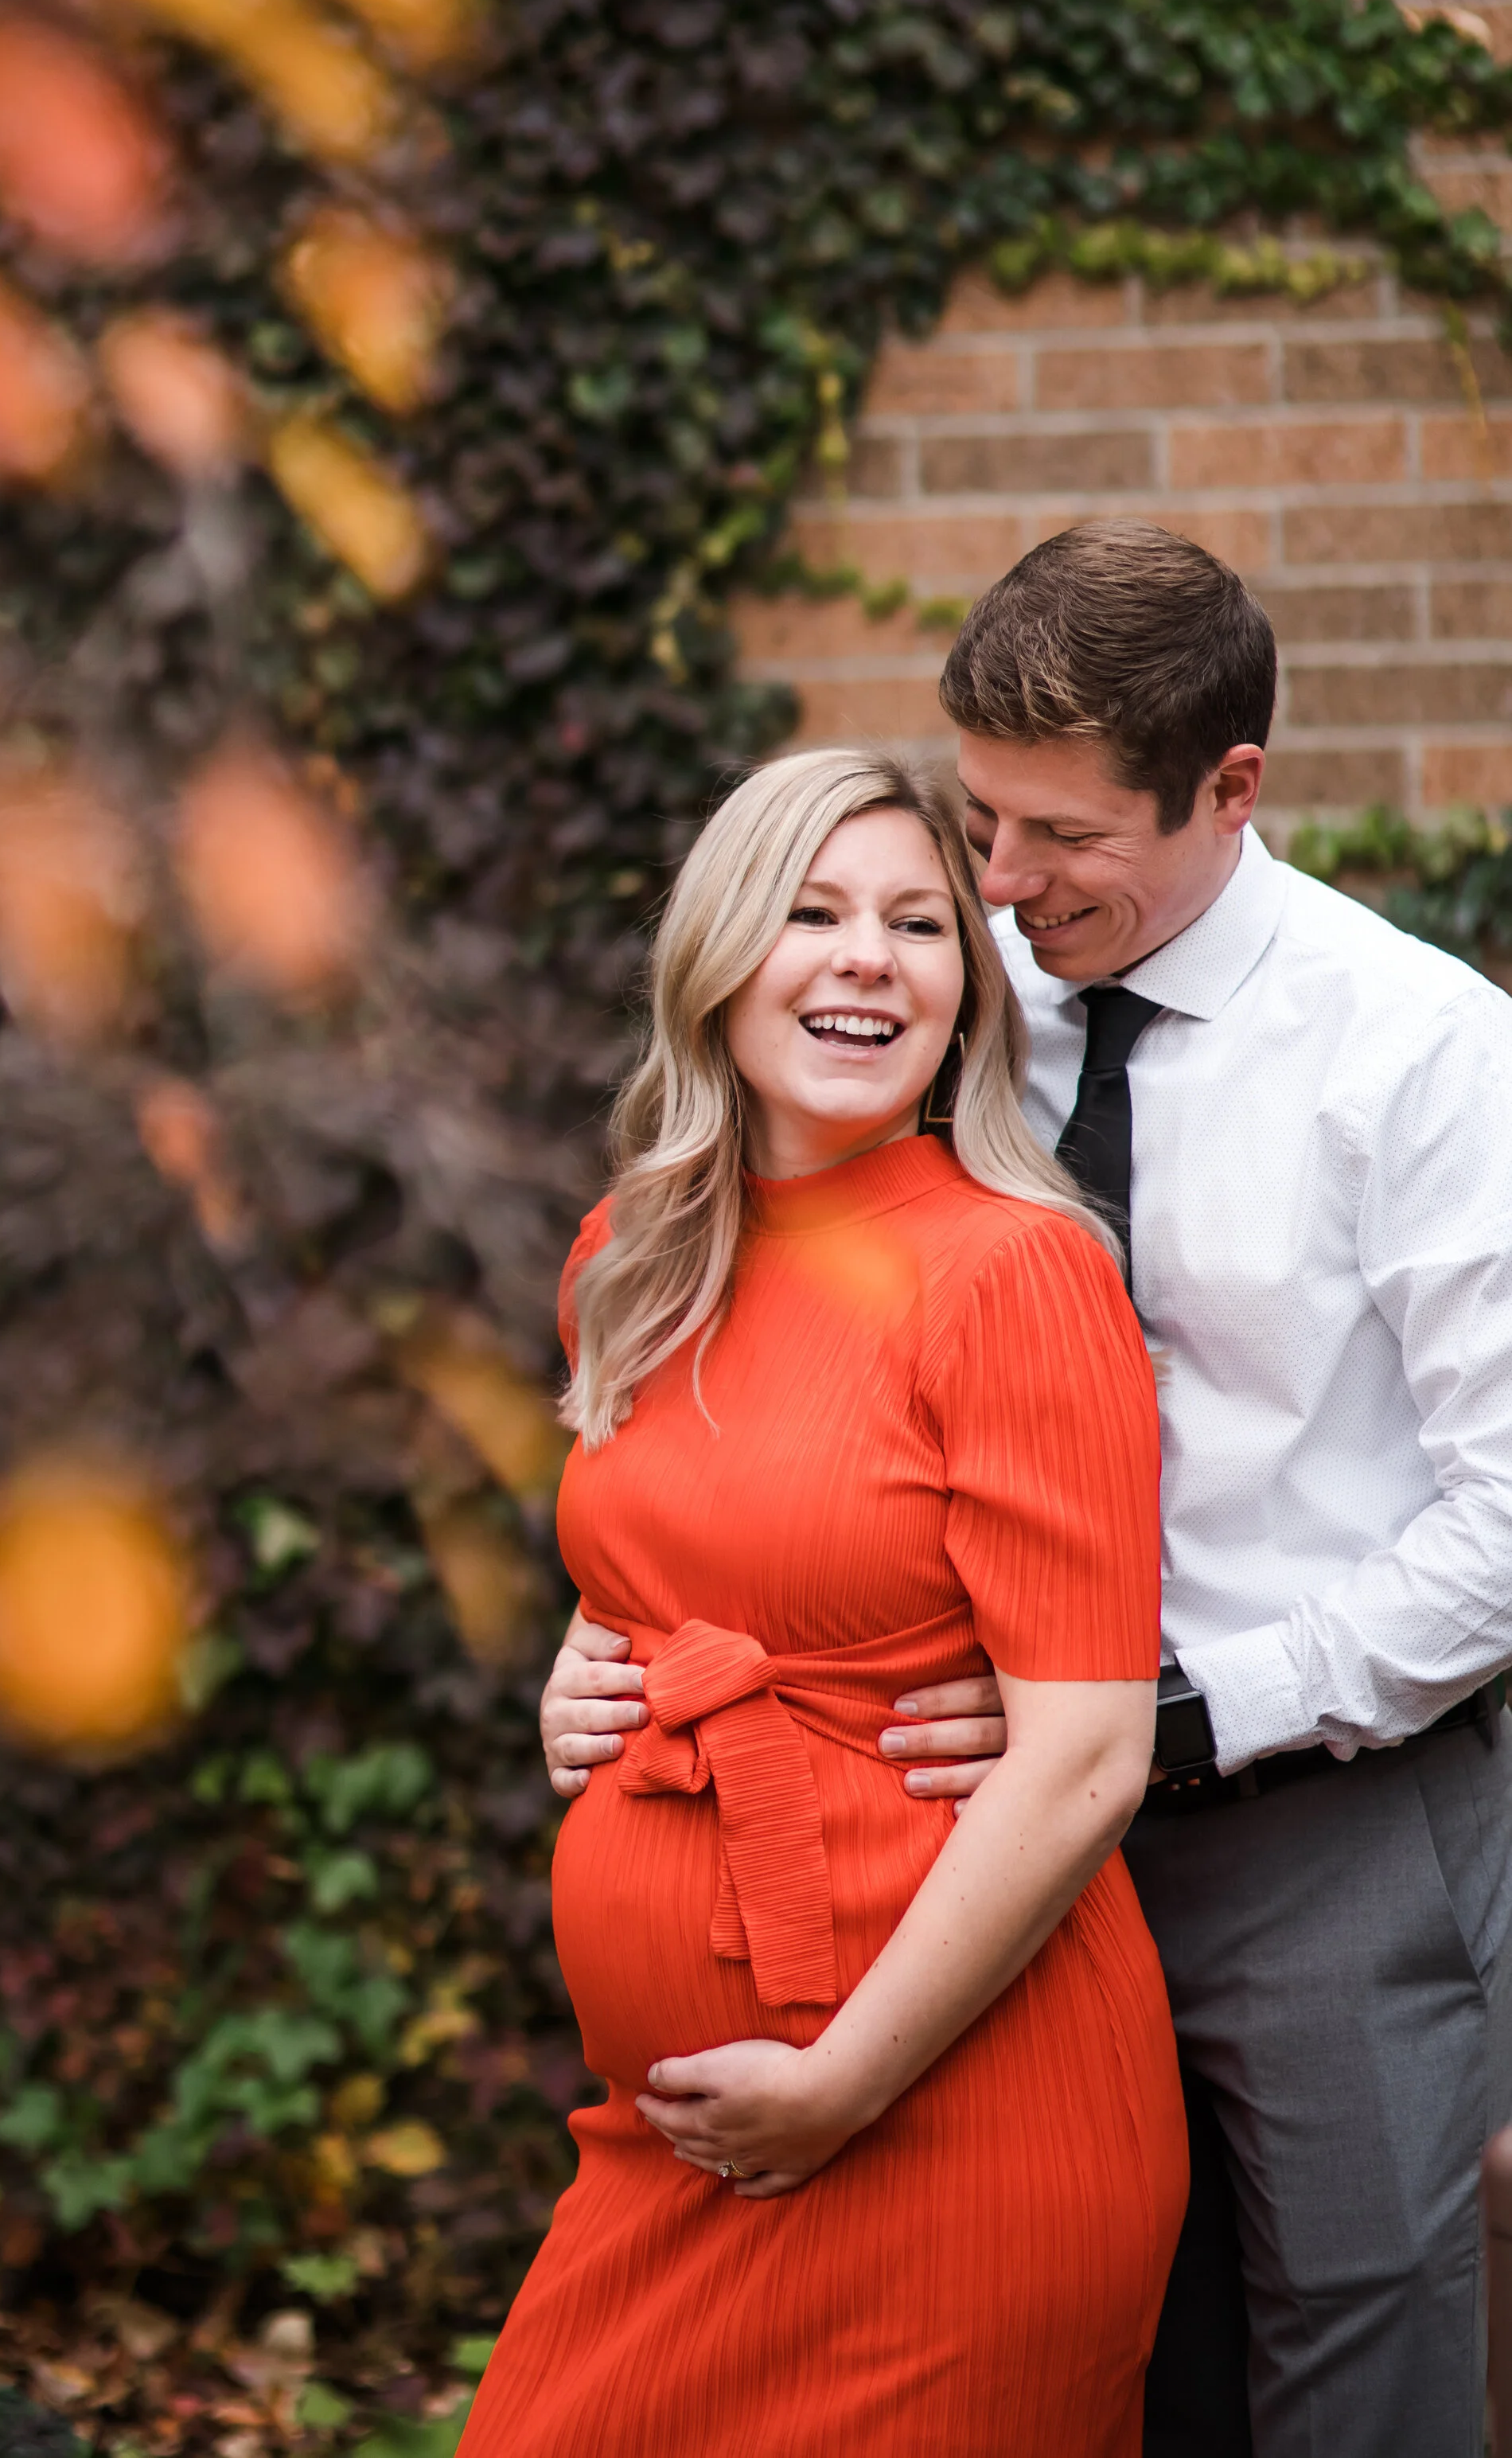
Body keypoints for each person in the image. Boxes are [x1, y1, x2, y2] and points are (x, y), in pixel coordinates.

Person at [544, 519, 1512, 2458]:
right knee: (1101, 2385)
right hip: (967, 1835)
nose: (995, 883)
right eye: (978, 819)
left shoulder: (1421, 1057)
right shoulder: (953, 982)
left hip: (1316, 1812)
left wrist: (1157, 1719)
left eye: (1058, 837)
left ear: (1226, 790)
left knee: (1348, 2372)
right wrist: (615, 1631)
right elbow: (788, 1370)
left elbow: (1502, 1531)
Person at [465, 745, 1187, 2458]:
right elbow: (676, 1554)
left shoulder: (1011, 1271)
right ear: (719, 959)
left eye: (919, 926)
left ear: (965, 996)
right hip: (674, 2146)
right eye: (812, 912)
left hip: (944, 2130)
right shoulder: (630, 1254)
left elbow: (1082, 1756)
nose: (866, 957)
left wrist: (842, 2082)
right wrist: (586, 1668)